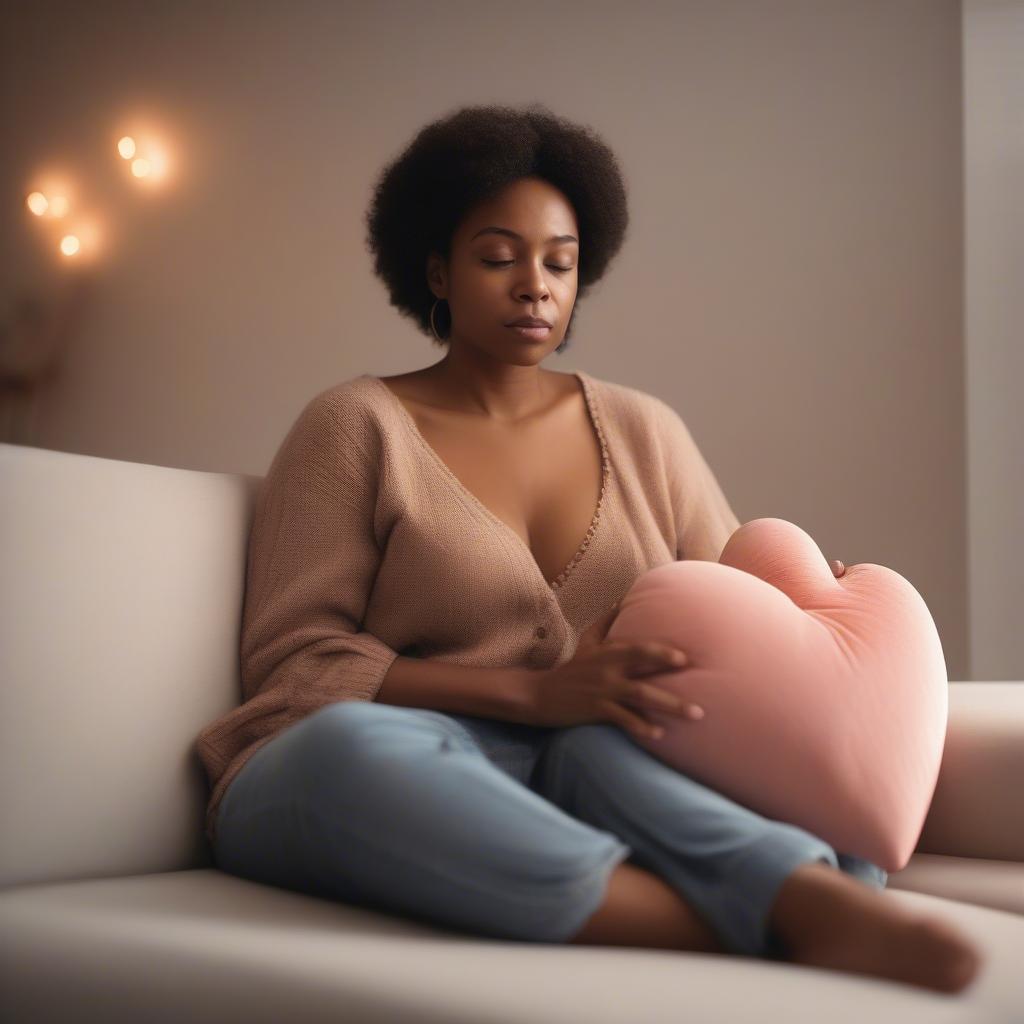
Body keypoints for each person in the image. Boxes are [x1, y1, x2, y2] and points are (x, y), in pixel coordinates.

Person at [196, 102, 982, 994]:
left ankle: (801, 901)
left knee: (596, 754)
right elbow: (298, 662)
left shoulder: (646, 432)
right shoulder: (353, 426)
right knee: (349, 752)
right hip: (403, 761)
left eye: (558, 263)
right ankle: (781, 916)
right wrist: (528, 692)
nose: (534, 284)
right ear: (436, 271)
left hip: (586, 761)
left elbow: (744, 613)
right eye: (498, 257)